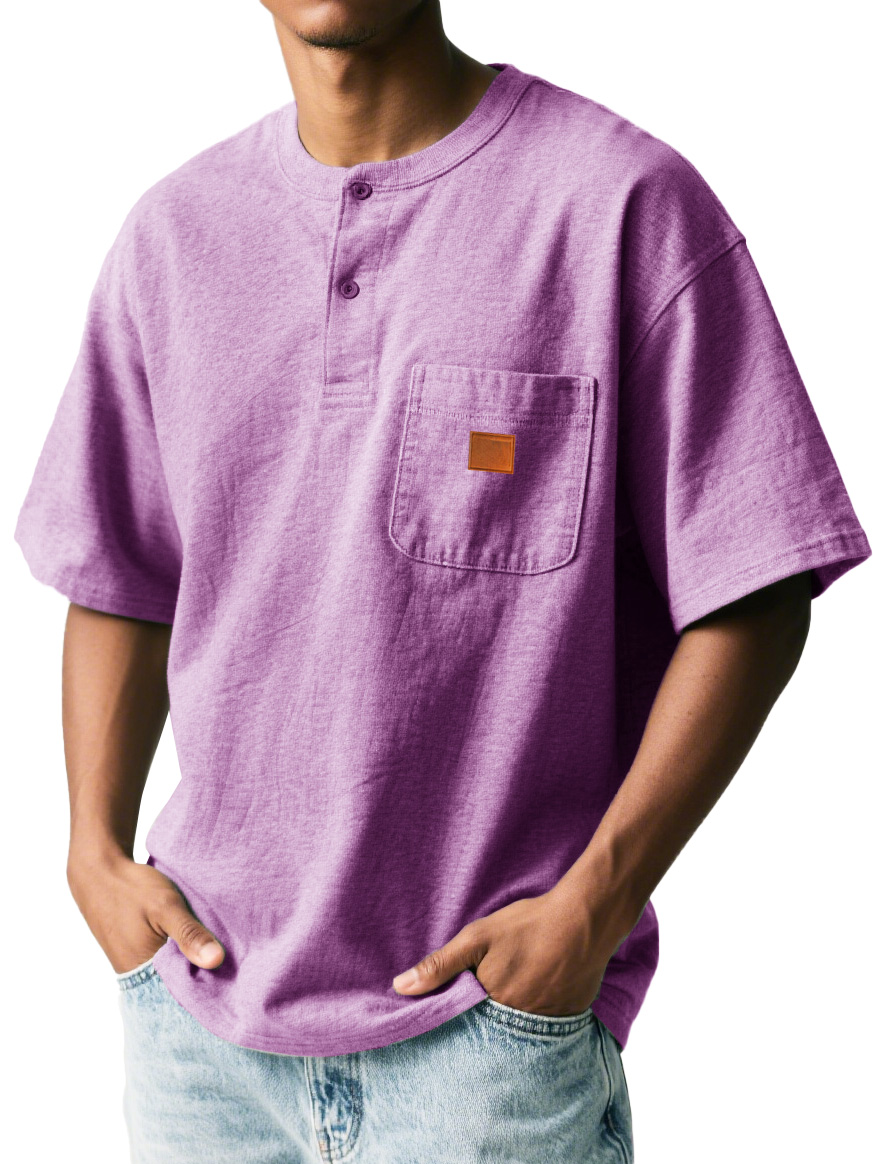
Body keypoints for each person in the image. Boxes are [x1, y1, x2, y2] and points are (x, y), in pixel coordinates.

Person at [13, 1, 871, 1161]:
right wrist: (93, 853)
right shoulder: (173, 237)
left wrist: (595, 905)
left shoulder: (620, 206)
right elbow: (118, 571)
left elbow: (754, 587)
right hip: (201, 1041)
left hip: (485, 1047)